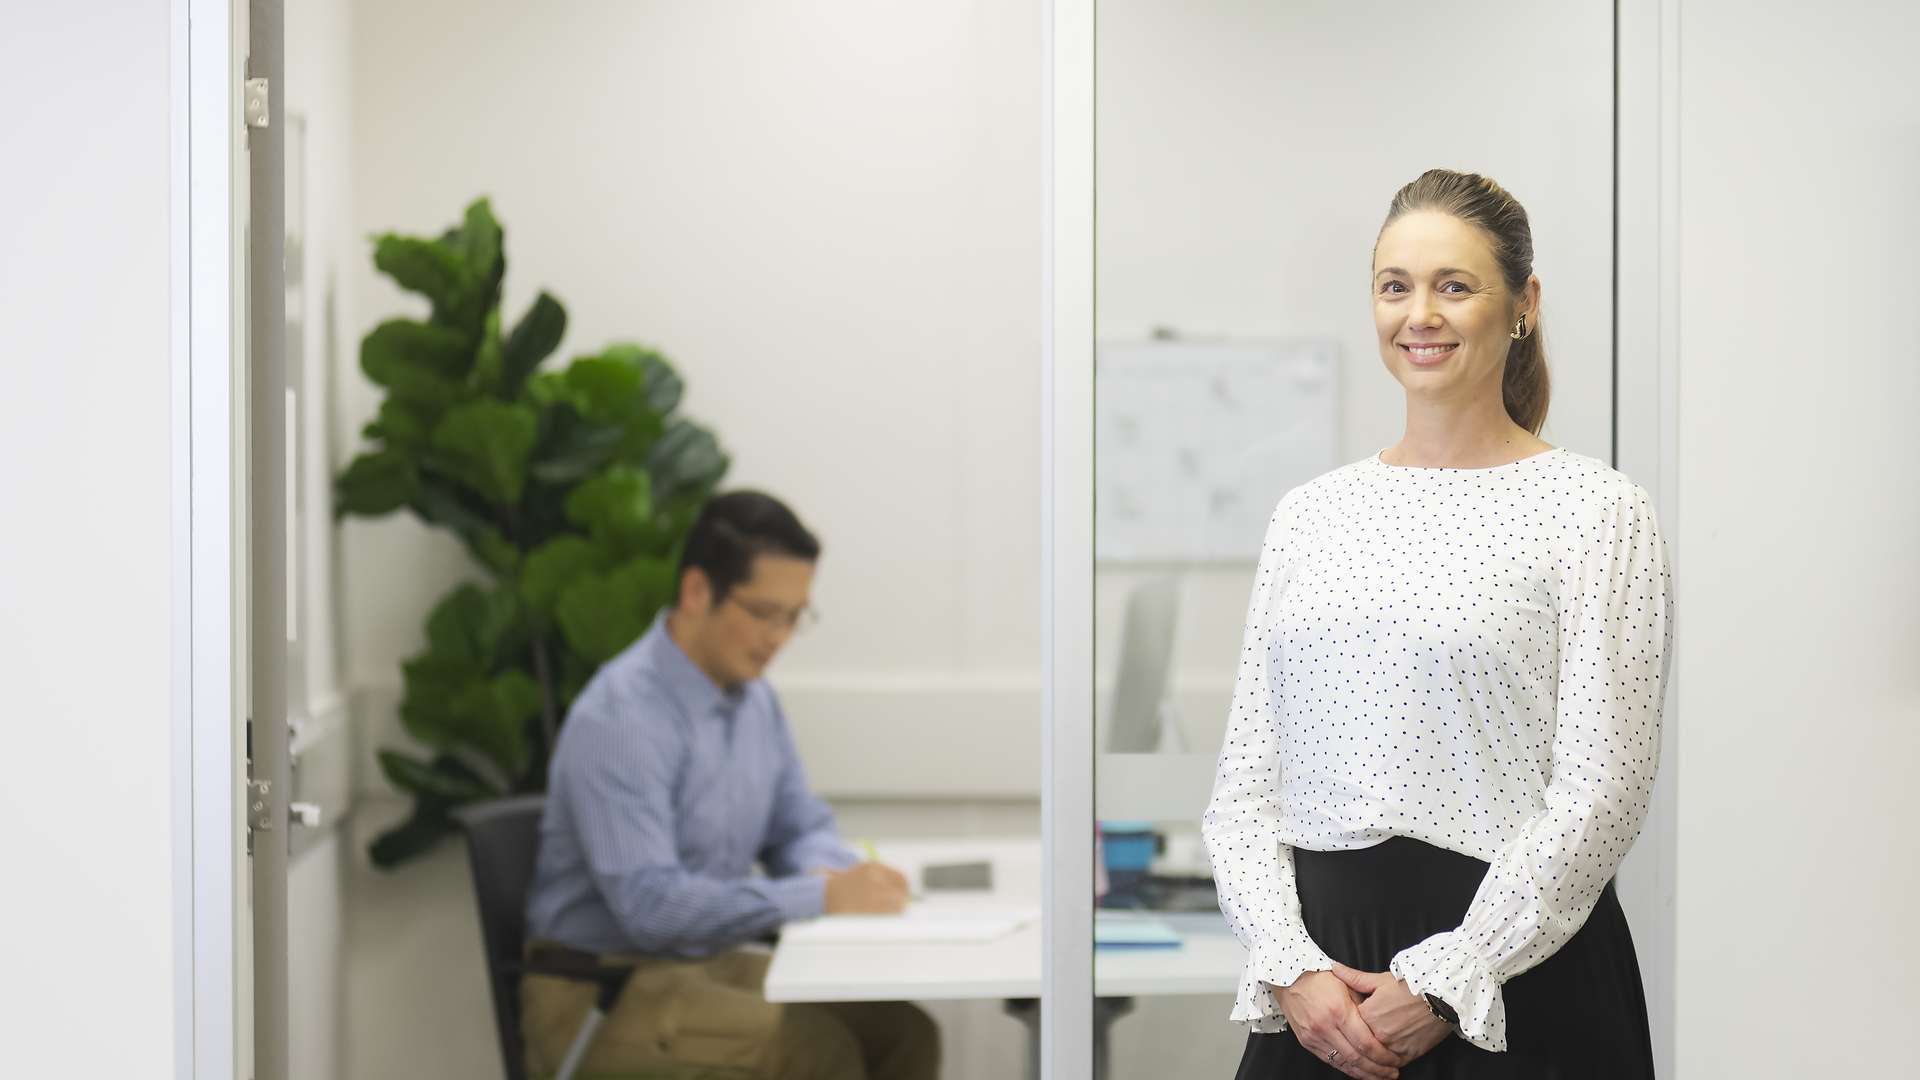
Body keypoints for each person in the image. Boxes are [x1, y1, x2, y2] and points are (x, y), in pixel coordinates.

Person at [1203, 169, 1673, 1080]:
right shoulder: (1309, 514)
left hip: (1516, 976)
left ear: (1522, 305)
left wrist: (1456, 976)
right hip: (1319, 990)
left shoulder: (1596, 511)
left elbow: (1601, 795)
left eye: (1454, 285)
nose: (1420, 313)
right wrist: (1291, 964)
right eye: (1396, 286)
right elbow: (1245, 789)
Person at [522, 490, 940, 1079]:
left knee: (903, 1032)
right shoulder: (622, 717)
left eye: (794, 617)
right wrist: (819, 897)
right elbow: (652, 909)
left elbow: (797, 825)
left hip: (700, 969)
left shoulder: (753, 702)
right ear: (697, 592)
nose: (778, 637)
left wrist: (828, 871)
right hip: (600, 992)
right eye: (764, 613)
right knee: (818, 1052)